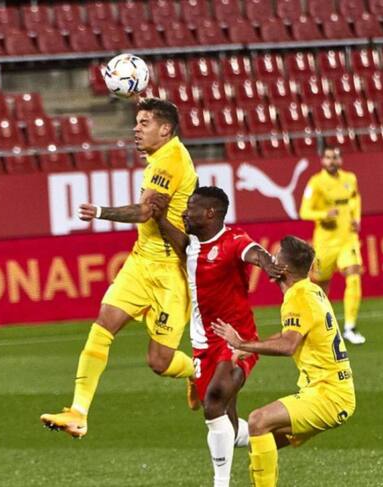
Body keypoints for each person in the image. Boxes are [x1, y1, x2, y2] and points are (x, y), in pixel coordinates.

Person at [40, 98, 198, 438]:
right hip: (140, 262)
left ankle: (197, 371)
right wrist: (141, 94)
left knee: (159, 362)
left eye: (143, 123)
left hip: (170, 272)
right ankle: (78, 413)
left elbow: (144, 212)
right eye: (136, 122)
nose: (135, 129)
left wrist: (100, 212)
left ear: (165, 130)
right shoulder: (161, 153)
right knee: (102, 326)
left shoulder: (170, 161)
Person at [150, 186, 285, 487]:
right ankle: (270, 434)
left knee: (213, 402)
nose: (185, 212)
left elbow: (254, 253)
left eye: (191, 208)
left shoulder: (234, 240)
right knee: (226, 422)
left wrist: (268, 264)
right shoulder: (191, 245)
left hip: (237, 340)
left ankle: (220, 484)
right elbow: (181, 242)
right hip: (202, 344)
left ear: (210, 213)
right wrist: (159, 219)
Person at [212, 236, 356, 487]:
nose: (270, 260)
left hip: (328, 395)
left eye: (275, 257)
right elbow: (291, 333)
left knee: (258, 421)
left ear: (284, 268)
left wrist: (241, 344)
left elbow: (289, 345)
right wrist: (251, 347)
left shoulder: (297, 297)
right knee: (260, 439)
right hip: (329, 392)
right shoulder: (311, 290)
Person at [299, 146, 366, 344]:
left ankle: (350, 327)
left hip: (347, 239)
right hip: (325, 243)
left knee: (354, 275)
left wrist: (357, 218)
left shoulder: (350, 178)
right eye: (328, 157)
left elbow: (355, 198)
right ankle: (320, 326)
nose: (332, 161)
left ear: (340, 160)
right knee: (320, 286)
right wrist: (323, 215)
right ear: (323, 160)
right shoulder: (316, 183)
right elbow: (304, 212)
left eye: (335, 157)